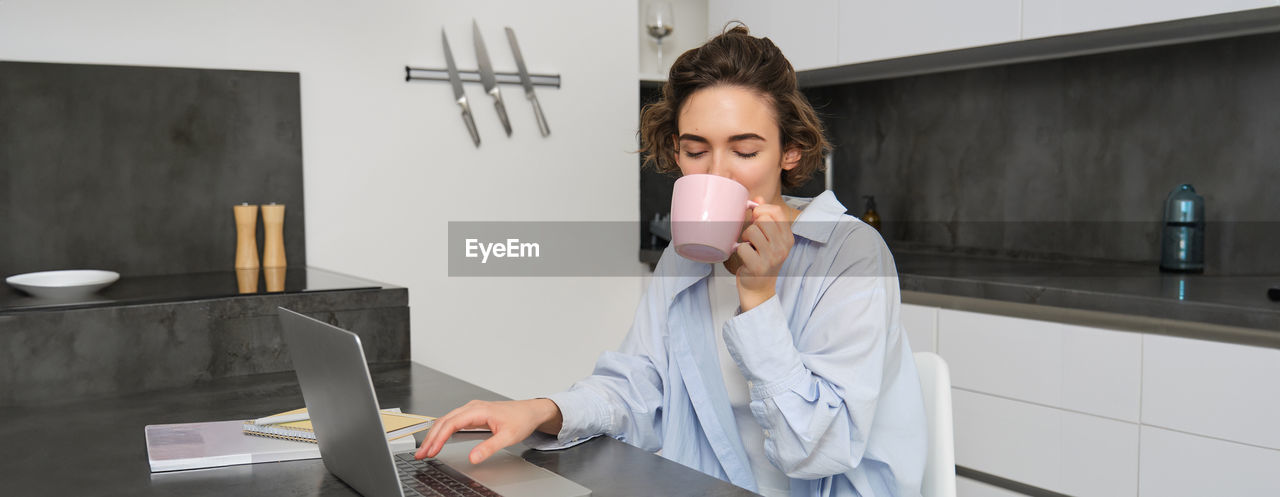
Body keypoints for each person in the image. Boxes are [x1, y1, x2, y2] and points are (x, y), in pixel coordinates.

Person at [418, 25, 927, 497]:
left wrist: (758, 299)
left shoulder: (851, 255)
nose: (718, 175)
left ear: (789, 152)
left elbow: (817, 451)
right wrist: (541, 410)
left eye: (745, 151)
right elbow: (640, 387)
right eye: (695, 150)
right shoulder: (686, 261)